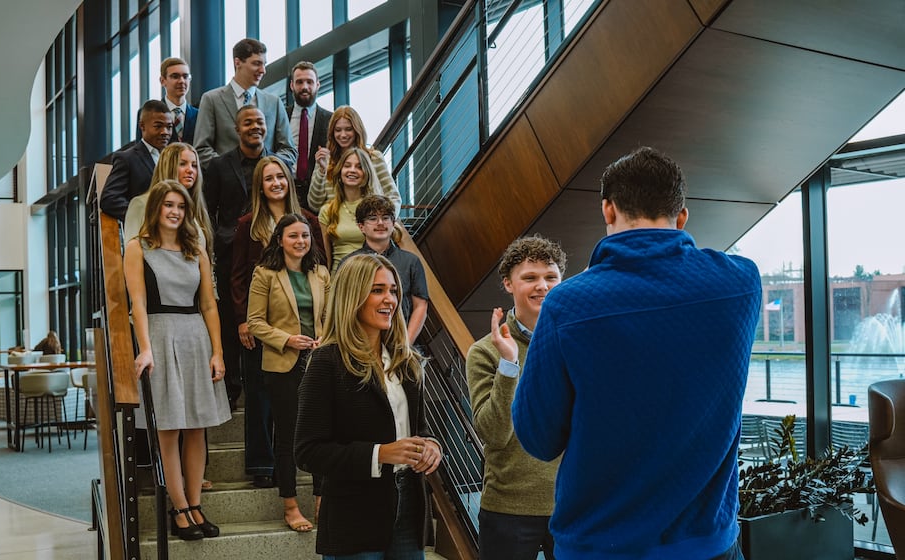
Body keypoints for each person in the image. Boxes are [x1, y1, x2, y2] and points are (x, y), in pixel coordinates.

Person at [512, 147, 762, 560]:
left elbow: (538, 438)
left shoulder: (568, 305)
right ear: (682, 216)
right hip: (708, 545)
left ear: (608, 210)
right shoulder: (741, 283)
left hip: (600, 546)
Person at [295, 253, 442, 558]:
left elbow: (421, 430)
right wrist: (380, 453)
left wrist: (431, 446)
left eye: (393, 291)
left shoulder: (407, 361)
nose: (390, 299)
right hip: (354, 516)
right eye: (377, 290)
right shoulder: (326, 362)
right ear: (352, 296)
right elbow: (308, 451)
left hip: (409, 508)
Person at [123, 180, 231, 541]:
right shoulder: (137, 248)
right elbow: (137, 303)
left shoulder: (195, 249)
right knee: (169, 430)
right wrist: (145, 347)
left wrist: (217, 351)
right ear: (156, 208)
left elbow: (209, 305)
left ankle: (196, 504)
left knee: (197, 428)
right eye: (168, 205)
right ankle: (179, 506)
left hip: (195, 336)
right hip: (160, 333)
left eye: (181, 207)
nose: (175, 212)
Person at [466, 235, 566, 560]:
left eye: (551, 277)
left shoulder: (576, 343)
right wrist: (510, 363)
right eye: (530, 278)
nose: (543, 286)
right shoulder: (484, 352)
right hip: (506, 510)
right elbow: (494, 434)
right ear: (508, 284)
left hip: (570, 505)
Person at [230, 157, 323, 486]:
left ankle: (305, 466)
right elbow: (238, 275)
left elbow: (319, 267)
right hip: (263, 324)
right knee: (259, 395)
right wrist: (243, 319)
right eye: (268, 178)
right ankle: (261, 465)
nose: (276, 183)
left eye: (280, 177)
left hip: (305, 327)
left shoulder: (309, 220)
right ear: (260, 185)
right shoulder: (248, 223)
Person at [247, 213, 328, 533]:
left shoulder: (321, 273)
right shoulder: (265, 274)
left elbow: (332, 314)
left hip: (319, 361)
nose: (300, 242)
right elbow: (255, 321)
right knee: (288, 435)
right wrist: (287, 339)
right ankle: (291, 504)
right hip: (283, 365)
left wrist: (326, 338)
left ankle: (322, 499)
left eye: (305, 236)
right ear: (279, 239)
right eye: (293, 236)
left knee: (323, 432)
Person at [203, 105, 278, 413]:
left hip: (266, 252)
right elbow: (207, 208)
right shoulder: (219, 166)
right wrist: (217, 240)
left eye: (259, 122)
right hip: (231, 251)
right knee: (234, 321)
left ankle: (267, 386)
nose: (255, 127)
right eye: (248, 122)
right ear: (237, 128)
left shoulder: (274, 165)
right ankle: (233, 388)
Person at [192, 38, 296, 165]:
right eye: (257, 64)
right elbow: (202, 149)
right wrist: (229, 171)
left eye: (264, 64)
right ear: (238, 62)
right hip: (226, 182)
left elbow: (289, 150)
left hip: (265, 181)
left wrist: (269, 168)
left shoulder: (274, 102)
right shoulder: (211, 99)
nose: (263, 70)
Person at [347, 194, 428, 343]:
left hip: (401, 341)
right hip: (360, 343)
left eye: (386, 218)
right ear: (361, 226)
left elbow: (420, 306)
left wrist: (406, 344)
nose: (380, 223)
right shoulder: (350, 263)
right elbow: (343, 306)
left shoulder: (411, 261)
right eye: (372, 218)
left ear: (393, 223)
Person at [306, 105, 400, 215]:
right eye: (338, 130)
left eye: (348, 129)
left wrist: (385, 220)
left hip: (369, 225)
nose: (343, 135)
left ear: (357, 130)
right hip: (335, 226)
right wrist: (322, 170)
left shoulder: (373, 158)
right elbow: (314, 204)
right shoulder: (326, 160)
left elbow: (393, 196)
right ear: (332, 132)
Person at [124, 142, 213, 258]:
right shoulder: (141, 204)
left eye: (194, 165)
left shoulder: (196, 208)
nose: (190, 170)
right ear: (168, 166)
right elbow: (132, 255)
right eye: (183, 164)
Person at [101, 100, 173, 221]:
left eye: (169, 127)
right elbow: (110, 199)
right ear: (142, 126)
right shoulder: (127, 159)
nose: (165, 132)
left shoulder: (174, 158)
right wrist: (145, 217)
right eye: (158, 126)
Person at [318, 147, 378, 270]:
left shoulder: (377, 209)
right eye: (347, 166)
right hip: (339, 278)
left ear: (366, 173)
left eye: (359, 167)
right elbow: (326, 260)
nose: (352, 170)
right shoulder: (327, 211)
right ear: (340, 171)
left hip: (371, 277)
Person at [286, 61, 332, 209]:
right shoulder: (280, 117)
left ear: (318, 85)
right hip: (286, 191)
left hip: (320, 195)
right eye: (299, 82)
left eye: (309, 82)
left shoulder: (331, 120)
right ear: (292, 85)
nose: (304, 87)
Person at [135, 57, 198, 145]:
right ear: (162, 81)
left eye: (185, 76)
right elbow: (141, 149)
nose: (182, 81)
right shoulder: (147, 113)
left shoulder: (199, 115)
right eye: (175, 76)